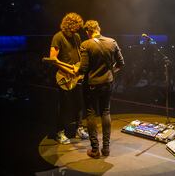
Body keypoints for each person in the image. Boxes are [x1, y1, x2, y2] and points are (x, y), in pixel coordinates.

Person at [78, 20, 125, 158]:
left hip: (91, 85)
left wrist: (75, 71)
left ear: (88, 32)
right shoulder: (112, 42)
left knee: (91, 114)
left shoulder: (86, 44)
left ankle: (95, 150)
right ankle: (106, 149)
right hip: (108, 83)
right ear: (99, 28)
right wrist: (110, 72)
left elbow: (83, 69)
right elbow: (121, 63)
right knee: (106, 111)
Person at [50, 12, 89, 144]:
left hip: (76, 76)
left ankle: (79, 128)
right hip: (64, 76)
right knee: (64, 107)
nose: (77, 29)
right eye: (76, 27)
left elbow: (79, 54)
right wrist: (69, 70)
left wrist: (80, 68)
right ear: (69, 25)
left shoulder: (76, 37)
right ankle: (60, 133)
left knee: (79, 104)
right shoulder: (58, 37)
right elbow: (53, 59)